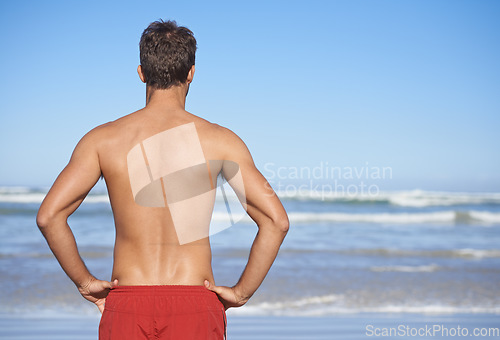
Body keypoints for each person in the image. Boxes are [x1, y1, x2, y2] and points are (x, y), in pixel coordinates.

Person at [36, 19, 289, 339]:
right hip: (195, 303)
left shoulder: (102, 140)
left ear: (141, 72)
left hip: (127, 302)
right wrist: (241, 293)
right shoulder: (221, 141)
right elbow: (276, 221)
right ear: (192, 73)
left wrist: (85, 282)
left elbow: (49, 216)